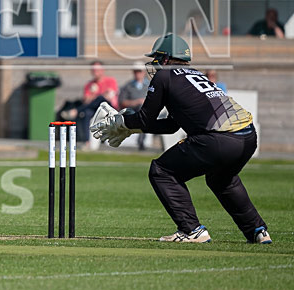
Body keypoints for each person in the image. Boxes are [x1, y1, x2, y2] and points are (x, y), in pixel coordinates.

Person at [92, 33, 270, 244]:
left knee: (161, 171)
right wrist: (131, 128)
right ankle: (257, 231)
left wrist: (122, 122)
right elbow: (171, 125)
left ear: (166, 59)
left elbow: (144, 118)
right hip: (248, 136)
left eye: (158, 58)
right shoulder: (195, 75)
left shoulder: (164, 76)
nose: (155, 64)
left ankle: (192, 230)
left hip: (218, 139)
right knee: (221, 180)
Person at [73, 61, 118, 143]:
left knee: (101, 99)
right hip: (94, 109)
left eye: (97, 70)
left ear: (102, 70)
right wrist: (95, 95)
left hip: (108, 108)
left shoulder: (110, 81)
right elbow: (86, 101)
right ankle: (87, 141)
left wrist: (95, 96)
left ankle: (77, 110)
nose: (95, 72)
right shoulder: (89, 85)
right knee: (86, 112)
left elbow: (109, 97)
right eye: (93, 70)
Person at [118, 63, 150, 150]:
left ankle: (141, 140)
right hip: (132, 110)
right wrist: (136, 102)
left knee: (144, 113)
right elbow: (122, 102)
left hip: (147, 111)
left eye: (139, 71)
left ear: (143, 72)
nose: (137, 74)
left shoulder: (150, 85)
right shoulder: (128, 86)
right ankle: (141, 140)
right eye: (136, 71)